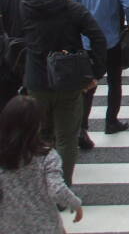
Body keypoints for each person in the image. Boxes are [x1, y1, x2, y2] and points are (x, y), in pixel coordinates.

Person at [21, 0, 107, 186]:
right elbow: (97, 37)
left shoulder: (26, 7)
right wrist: (94, 72)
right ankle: (62, 186)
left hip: (36, 79)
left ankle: (39, 186)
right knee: (67, 138)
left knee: (38, 136)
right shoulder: (73, 9)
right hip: (69, 78)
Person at [72, 0, 129, 145]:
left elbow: (73, 4)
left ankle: (82, 127)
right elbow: (128, 5)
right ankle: (111, 121)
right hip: (112, 38)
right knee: (114, 82)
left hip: (87, 40)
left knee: (87, 84)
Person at [0, 96, 83, 232]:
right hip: (45, 225)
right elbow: (57, 189)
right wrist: (75, 204)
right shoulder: (47, 156)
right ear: (36, 126)